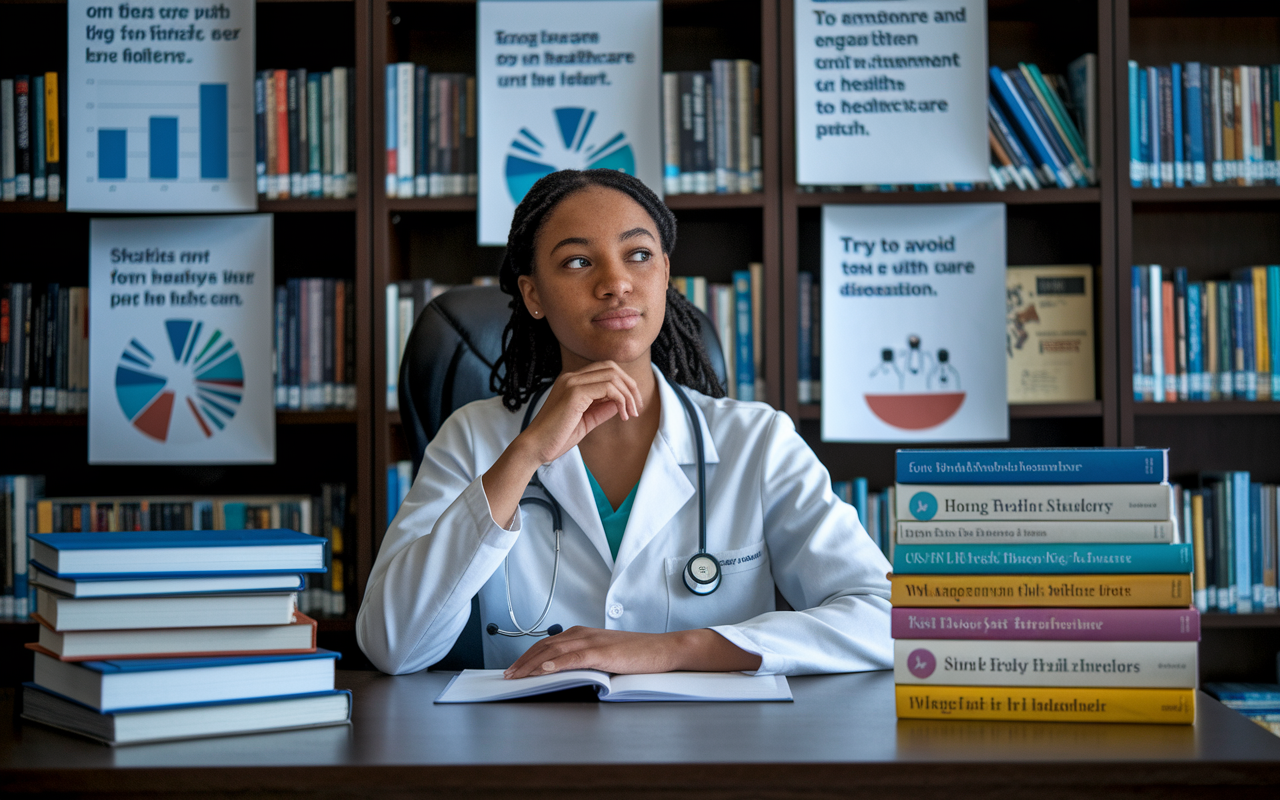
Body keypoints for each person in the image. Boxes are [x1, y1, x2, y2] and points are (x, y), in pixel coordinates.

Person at [357, 169, 892, 678]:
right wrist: (524, 455)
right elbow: (392, 644)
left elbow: (887, 618)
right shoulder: (474, 437)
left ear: (664, 275)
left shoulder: (757, 442)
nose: (616, 283)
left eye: (637, 255)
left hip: (714, 751)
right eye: (576, 263)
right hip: (531, 752)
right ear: (533, 295)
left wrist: (675, 649)